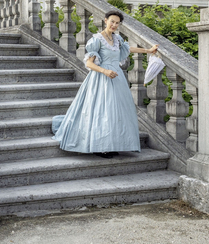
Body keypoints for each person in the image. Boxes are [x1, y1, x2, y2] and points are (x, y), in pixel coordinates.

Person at [52, 10, 159, 158]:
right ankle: (99, 146)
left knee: (116, 112)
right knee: (103, 111)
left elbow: (128, 49)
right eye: (112, 21)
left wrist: (148, 50)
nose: (114, 25)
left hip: (117, 79)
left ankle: (112, 143)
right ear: (105, 20)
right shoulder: (97, 40)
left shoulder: (117, 39)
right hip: (101, 79)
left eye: (117, 23)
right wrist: (105, 71)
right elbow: (89, 64)